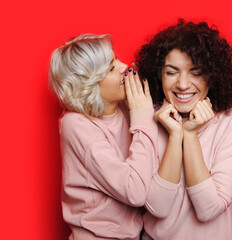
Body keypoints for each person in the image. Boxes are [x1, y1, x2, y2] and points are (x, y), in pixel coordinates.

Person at [136, 19, 232, 239]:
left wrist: (189, 134)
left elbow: (208, 209)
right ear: (159, 76)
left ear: (212, 77)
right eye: (171, 72)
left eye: (195, 73)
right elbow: (158, 207)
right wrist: (175, 133)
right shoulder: (148, 117)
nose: (182, 84)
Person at [49, 34, 157, 240]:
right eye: (110, 68)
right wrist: (143, 117)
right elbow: (135, 192)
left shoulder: (126, 108)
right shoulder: (76, 125)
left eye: (116, 59)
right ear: (88, 84)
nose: (124, 66)